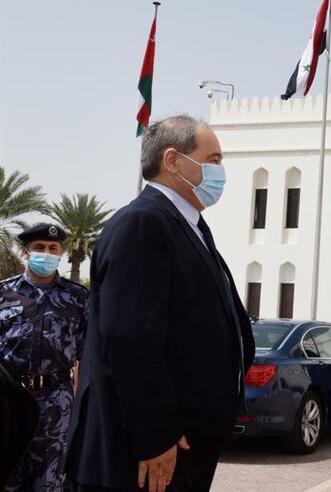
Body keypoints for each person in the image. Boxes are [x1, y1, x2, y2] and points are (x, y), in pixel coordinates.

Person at [66, 115, 255, 492]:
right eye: (213, 159)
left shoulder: (190, 227)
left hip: (186, 444)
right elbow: (132, 340)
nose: (220, 172)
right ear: (173, 161)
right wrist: (155, 436)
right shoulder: (143, 224)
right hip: (146, 456)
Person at [0, 223, 88, 491]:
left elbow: (85, 358)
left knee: (49, 481)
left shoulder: (78, 297)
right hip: (9, 400)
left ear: (60, 253)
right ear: (26, 252)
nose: (46, 253)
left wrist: (78, 407)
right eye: (39, 248)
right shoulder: (3, 293)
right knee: (6, 475)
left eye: (53, 248)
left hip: (56, 402)